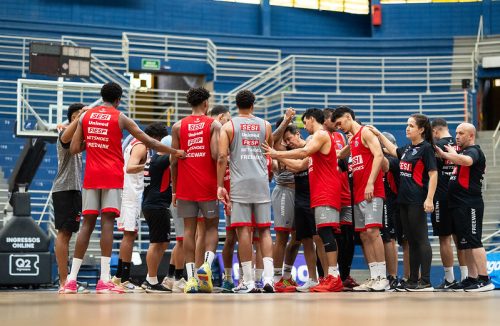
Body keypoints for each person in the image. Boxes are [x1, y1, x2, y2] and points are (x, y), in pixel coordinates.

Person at [63, 82, 185, 294]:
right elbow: (151, 143)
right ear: (119, 99)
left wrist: (92, 142)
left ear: (102, 96)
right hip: (111, 176)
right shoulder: (120, 117)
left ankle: (71, 280)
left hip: (91, 176)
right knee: (108, 223)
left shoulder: (85, 116)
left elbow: (73, 148)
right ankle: (103, 280)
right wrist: (176, 151)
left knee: (87, 225)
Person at [264, 108, 343, 292]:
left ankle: (332, 276)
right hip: (314, 193)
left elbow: (304, 152)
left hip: (324, 191)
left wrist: (277, 155)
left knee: (324, 236)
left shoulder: (319, 136)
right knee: (317, 236)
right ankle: (324, 277)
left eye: (305, 121)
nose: (304, 124)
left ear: (311, 119)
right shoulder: (316, 139)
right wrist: (279, 156)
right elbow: (300, 164)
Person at [370, 113, 437, 291]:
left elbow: (433, 174)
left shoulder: (426, 148)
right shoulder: (407, 149)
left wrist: (429, 198)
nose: (407, 128)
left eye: (411, 126)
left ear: (421, 129)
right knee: (412, 241)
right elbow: (393, 150)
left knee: (421, 240)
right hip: (403, 201)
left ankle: (426, 281)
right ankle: (413, 279)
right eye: (407, 125)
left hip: (417, 200)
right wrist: (377, 134)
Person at [217, 90, 275, 293]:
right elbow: (270, 155)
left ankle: (249, 281)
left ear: (236, 105)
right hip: (261, 182)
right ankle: (268, 279)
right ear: (253, 105)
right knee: (265, 231)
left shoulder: (229, 126)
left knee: (243, 231)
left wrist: (219, 185)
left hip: (239, 183)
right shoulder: (265, 125)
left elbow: (222, 157)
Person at [330, 106, 388, 292]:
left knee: (373, 232)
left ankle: (382, 277)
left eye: (339, 123)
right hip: (358, 193)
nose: (339, 127)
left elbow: (379, 155)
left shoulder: (366, 132)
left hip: (372, 190)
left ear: (348, 117)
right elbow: (339, 154)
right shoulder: (353, 139)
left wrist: (371, 182)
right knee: (363, 235)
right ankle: (373, 277)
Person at [170, 87, 221, 294]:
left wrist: (174, 190)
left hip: (185, 187)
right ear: (206, 104)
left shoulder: (177, 126)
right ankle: (206, 265)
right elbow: (217, 155)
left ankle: (191, 279)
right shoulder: (214, 124)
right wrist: (219, 185)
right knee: (210, 228)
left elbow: (173, 161)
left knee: (189, 232)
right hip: (208, 185)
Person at [434, 123, 494, 292]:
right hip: (459, 205)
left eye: (461, 133)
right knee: (465, 243)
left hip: (470, 204)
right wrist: (452, 154)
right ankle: (472, 278)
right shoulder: (461, 152)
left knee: (474, 241)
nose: (457, 136)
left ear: (471, 136)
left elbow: (467, 162)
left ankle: (484, 279)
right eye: (457, 133)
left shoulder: (473, 151)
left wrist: (447, 154)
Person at [113, 122, 168, 293]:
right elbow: (129, 168)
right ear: (156, 138)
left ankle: (118, 277)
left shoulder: (135, 143)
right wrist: (148, 166)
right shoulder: (142, 146)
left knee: (129, 234)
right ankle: (124, 278)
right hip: (130, 195)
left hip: (132, 194)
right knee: (129, 235)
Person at [279, 124, 322, 292]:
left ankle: (327, 276)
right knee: (305, 240)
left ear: (298, 134)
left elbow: (298, 166)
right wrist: (283, 157)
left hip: (315, 196)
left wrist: (278, 155)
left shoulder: (311, 146)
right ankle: (312, 279)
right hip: (300, 198)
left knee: (319, 238)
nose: (289, 143)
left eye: (290, 139)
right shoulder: (292, 153)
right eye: (286, 141)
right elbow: (290, 165)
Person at [323, 108, 359, 291]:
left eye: (338, 122)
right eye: (334, 122)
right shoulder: (319, 137)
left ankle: (344, 275)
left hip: (345, 194)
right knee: (328, 235)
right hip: (329, 196)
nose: (337, 125)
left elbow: (344, 164)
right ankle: (327, 275)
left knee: (348, 237)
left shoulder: (341, 137)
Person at [53, 103, 86, 293]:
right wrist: (81, 116)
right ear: (72, 118)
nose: (80, 118)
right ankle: (64, 282)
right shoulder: (63, 136)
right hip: (64, 189)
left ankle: (68, 281)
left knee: (68, 234)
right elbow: (65, 136)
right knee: (63, 233)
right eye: (77, 116)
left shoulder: (75, 139)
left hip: (74, 190)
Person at [431, 118, 468, 289]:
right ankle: (468, 278)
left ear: (435, 131)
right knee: (461, 239)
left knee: (445, 239)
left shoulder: (436, 146)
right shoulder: (462, 144)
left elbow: (432, 174)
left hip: (441, 197)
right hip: (460, 197)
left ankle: (450, 279)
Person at [142, 135, 174, 293]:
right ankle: (151, 280)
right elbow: (179, 154)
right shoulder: (161, 160)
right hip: (156, 206)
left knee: (162, 242)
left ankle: (150, 278)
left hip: (153, 205)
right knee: (156, 243)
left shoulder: (153, 159)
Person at [380, 132, 401, 291]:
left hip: (390, 203)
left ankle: (393, 276)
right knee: (384, 239)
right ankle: (383, 275)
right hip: (380, 201)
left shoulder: (393, 159)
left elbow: (386, 166)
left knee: (389, 239)